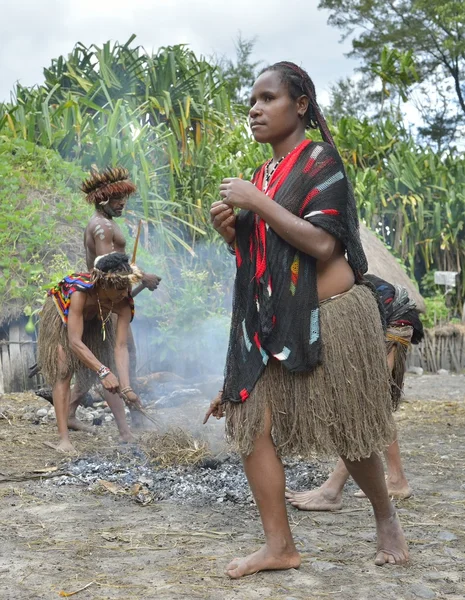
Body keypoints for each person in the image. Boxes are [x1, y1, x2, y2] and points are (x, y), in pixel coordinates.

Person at [204, 61, 409, 577]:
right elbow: (265, 260)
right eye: (251, 101)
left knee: (351, 428)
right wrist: (234, 232)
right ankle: (280, 547)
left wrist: (256, 203)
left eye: (267, 98)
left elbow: (322, 242)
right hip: (273, 322)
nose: (255, 109)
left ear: (299, 106)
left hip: (333, 317)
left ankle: (386, 519)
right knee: (251, 423)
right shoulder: (261, 176)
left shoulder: (320, 160)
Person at [286, 274, 424, 511]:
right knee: (372, 403)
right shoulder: (304, 294)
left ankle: (331, 491)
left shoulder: (321, 288)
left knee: (366, 404)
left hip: (394, 318)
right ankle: (396, 479)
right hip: (378, 319)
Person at [68, 167, 161, 432]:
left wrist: (141, 277)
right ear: (103, 200)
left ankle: (121, 415)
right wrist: (142, 276)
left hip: (113, 299)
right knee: (112, 361)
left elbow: (116, 266)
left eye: (124, 198)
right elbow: (108, 270)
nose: (123, 203)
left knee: (120, 356)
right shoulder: (102, 227)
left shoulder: (106, 223)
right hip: (103, 300)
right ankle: (128, 427)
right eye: (118, 199)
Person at [37, 252, 143, 453]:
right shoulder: (80, 293)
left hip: (95, 318)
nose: (125, 292)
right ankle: (64, 440)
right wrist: (102, 372)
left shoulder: (124, 302)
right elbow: (74, 342)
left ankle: (125, 433)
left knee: (110, 369)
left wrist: (127, 388)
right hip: (62, 318)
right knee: (63, 369)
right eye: (120, 288)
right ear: (103, 284)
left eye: (127, 287)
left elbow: (120, 347)